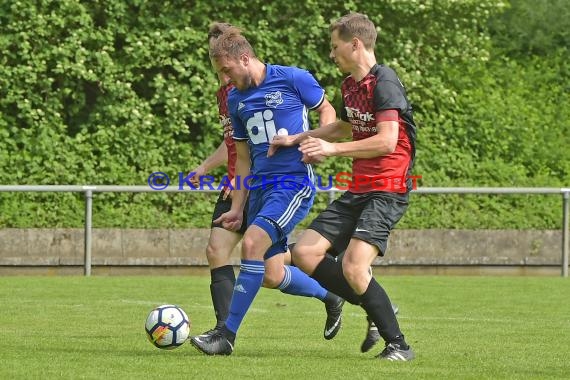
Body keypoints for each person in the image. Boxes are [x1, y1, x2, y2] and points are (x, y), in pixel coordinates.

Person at [270, 12, 417, 361]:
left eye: (335, 47)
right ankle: (377, 305)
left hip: (388, 189)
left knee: (353, 266)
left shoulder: (385, 83)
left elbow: (387, 141)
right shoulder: (351, 85)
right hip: (361, 188)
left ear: (355, 44)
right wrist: (297, 139)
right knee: (305, 252)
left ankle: (399, 346)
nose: (332, 54)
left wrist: (331, 151)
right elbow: (343, 128)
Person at [190, 24, 344, 355]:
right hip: (257, 188)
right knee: (272, 275)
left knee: (251, 243)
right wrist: (236, 207)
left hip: (291, 183)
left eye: (227, 70)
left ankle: (225, 336)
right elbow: (242, 159)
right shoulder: (235, 98)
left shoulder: (292, 78)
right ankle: (330, 293)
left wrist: (312, 140)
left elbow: (329, 113)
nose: (225, 78)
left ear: (244, 58)